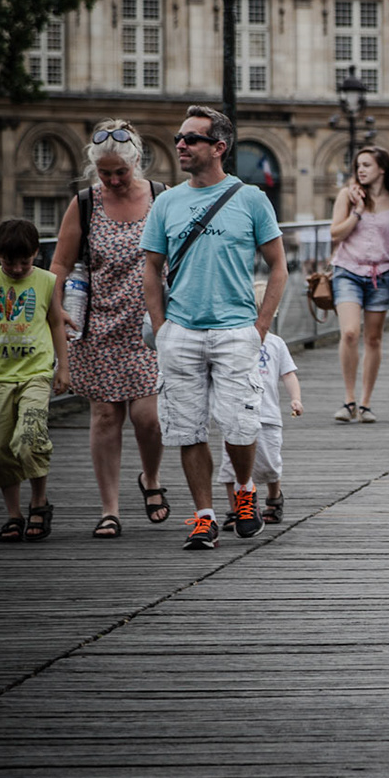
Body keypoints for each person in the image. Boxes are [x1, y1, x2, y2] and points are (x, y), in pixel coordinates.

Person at [141, 106, 288, 551]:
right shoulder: (166, 202)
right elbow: (151, 268)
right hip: (180, 332)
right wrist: (162, 328)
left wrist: (261, 327)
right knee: (186, 429)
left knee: (241, 425)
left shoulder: (250, 199)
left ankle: (245, 493)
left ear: (218, 147)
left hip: (236, 330)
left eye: (191, 139)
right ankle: (203, 516)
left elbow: (278, 266)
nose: (180, 145)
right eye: (179, 138)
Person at [49, 120, 169, 539]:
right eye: (106, 173)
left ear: (136, 162)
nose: (114, 180)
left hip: (149, 325)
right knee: (104, 416)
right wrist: (58, 308)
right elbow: (60, 264)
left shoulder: (161, 197)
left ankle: (150, 479)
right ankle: (110, 509)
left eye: (121, 172)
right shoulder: (84, 203)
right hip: (98, 324)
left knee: (148, 418)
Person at [0, 220, 69, 542]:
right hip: (1, 375)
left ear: (36, 255)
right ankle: (14, 514)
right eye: (8, 262)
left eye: (23, 262)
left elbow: (56, 323)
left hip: (35, 372)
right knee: (1, 448)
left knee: (30, 436)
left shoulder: (45, 281)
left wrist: (63, 367)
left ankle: (39, 502)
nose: (15, 268)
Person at [328, 146, 389, 423]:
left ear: (382, 168)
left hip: (381, 274)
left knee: (373, 339)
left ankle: (366, 402)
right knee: (349, 333)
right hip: (348, 269)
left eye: (367, 165)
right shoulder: (349, 195)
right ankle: (349, 400)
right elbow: (335, 233)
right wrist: (357, 212)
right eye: (358, 165)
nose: (361, 170)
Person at [218, 331, 300, 531]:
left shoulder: (275, 343)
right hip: (234, 414)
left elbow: (288, 373)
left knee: (270, 464)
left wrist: (295, 398)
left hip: (267, 415)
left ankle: (274, 498)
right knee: (231, 466)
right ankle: (237, 509)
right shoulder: (227, 340)